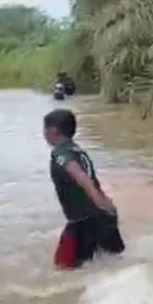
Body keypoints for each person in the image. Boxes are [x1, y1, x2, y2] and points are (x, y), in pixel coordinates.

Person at [43, 109, 125, 270]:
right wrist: (103, 202)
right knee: (112, 265)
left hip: (84, 220)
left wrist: (96, 198)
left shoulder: (60, 153)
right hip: (103, 215)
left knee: (64, 269)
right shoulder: (77, 149)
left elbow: (78, 174)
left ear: (53, 130)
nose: (44, 134)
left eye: (45, 129)